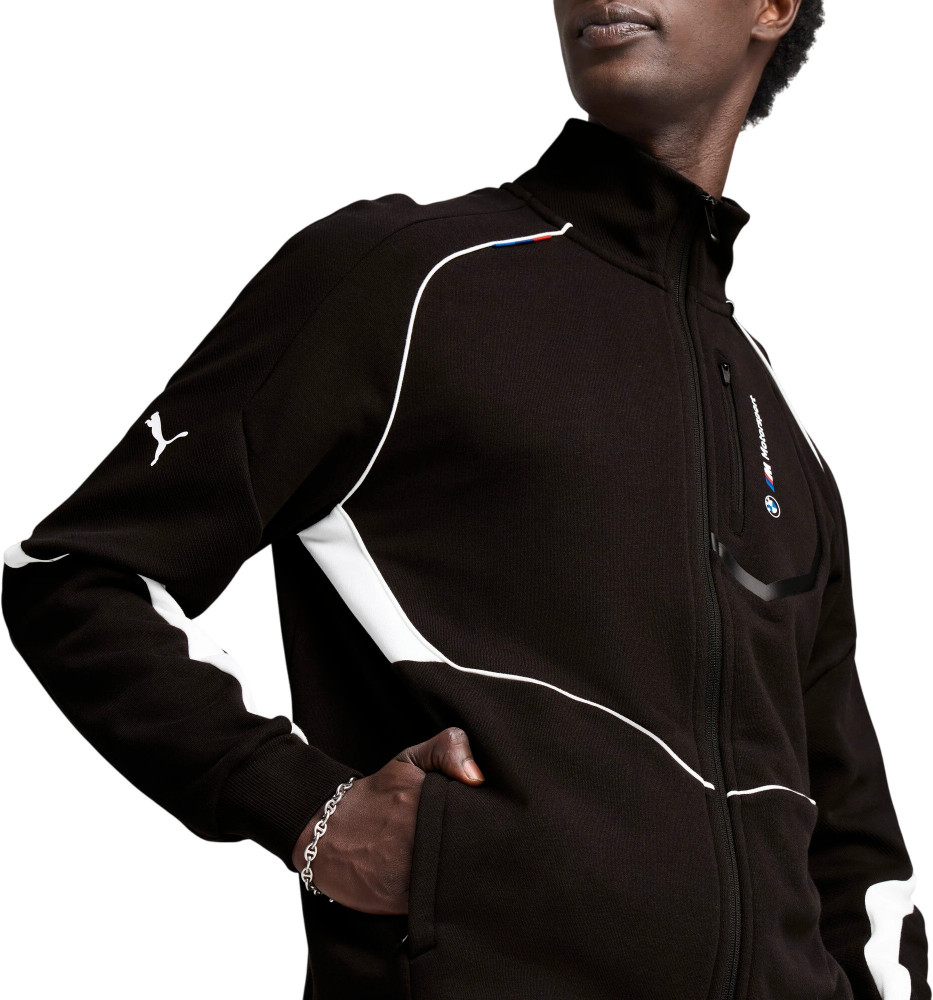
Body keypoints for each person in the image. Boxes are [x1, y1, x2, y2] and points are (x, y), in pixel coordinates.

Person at [3, 0, 930, 997]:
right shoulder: (408, 281)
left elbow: (853, 848)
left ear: (772, 7)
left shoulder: (776, 423)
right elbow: (74, 578)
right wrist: (305, 809)